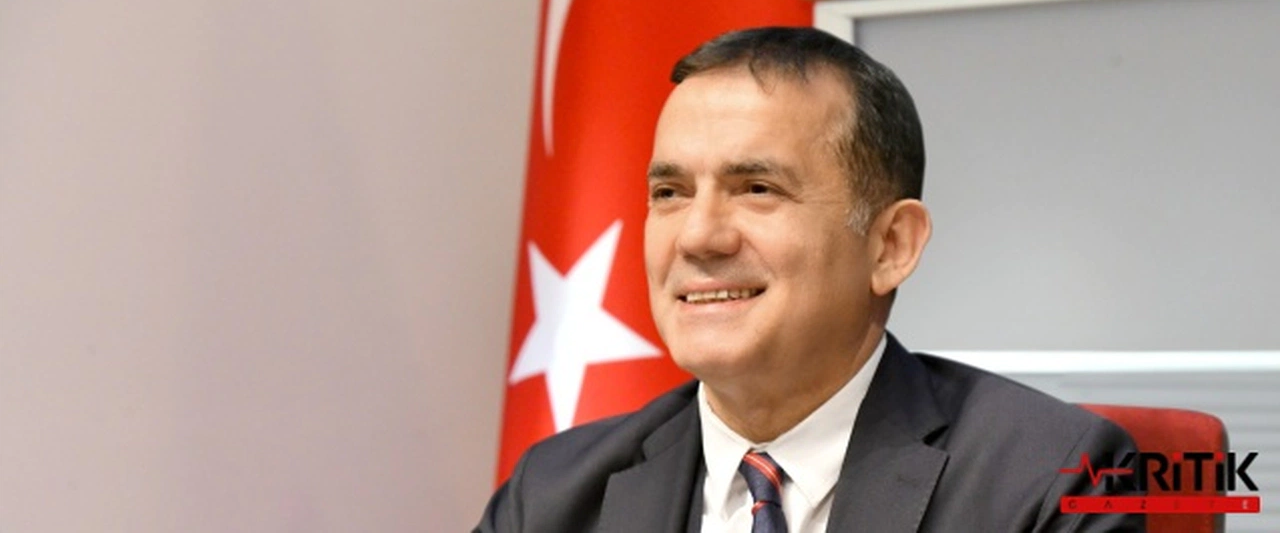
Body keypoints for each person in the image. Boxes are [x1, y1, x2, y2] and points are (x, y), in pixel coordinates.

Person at [475, 27, 1141, 532]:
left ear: (891, 246)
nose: (698, 236)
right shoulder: (553, 494)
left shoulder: (1049, 481)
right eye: (670, 192)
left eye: (757, 188)